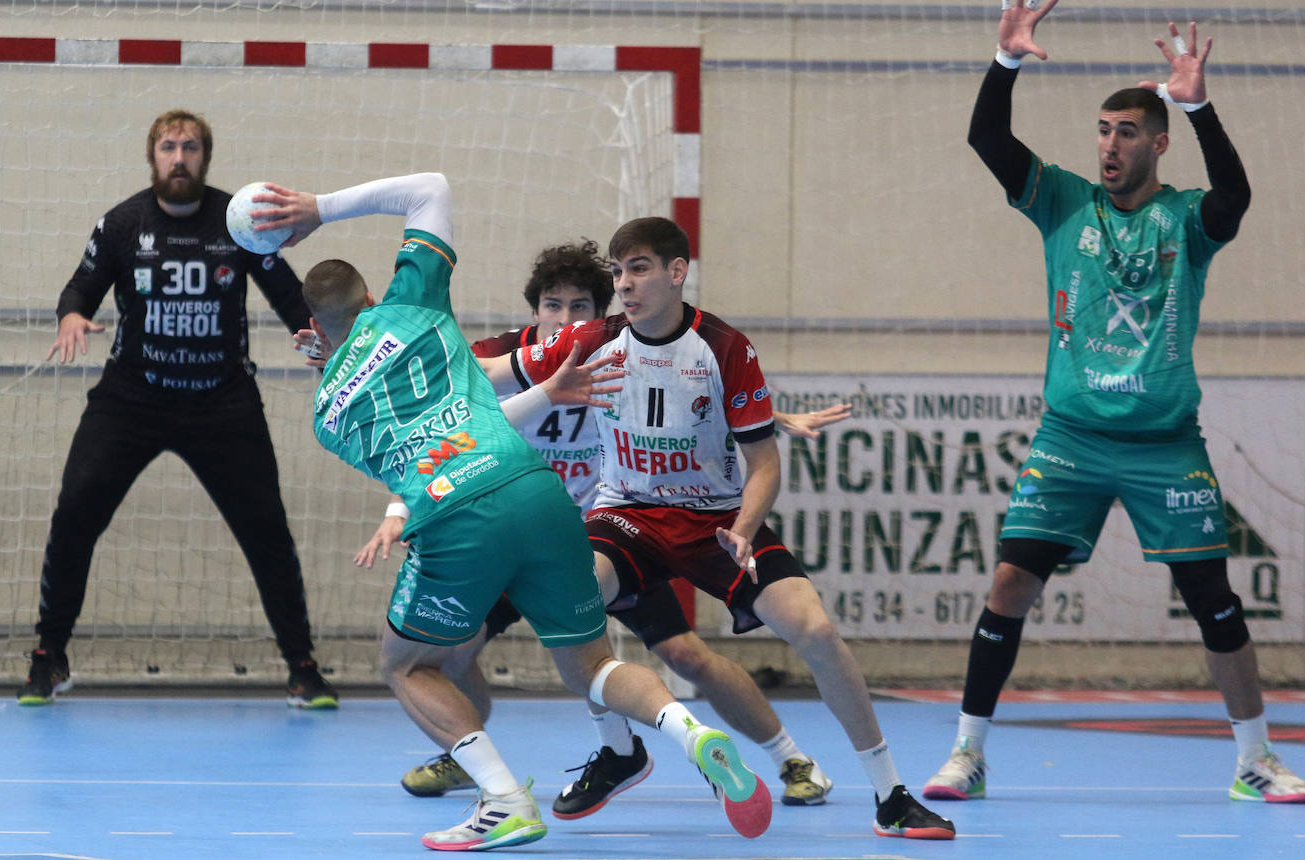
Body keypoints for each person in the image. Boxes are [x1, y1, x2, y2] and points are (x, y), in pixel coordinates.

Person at [257, 171, 773, 849]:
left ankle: (502, 799)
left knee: (408, 665)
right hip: (540, 492)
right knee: (590, 666)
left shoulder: (327, 412)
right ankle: (690, 731)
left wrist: (334, 363)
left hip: (456, 517)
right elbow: (431, 188)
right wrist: (316, 210)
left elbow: (384, 403)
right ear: (374, 297)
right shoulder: (417, 309)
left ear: (315, 331)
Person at [922, 2, 1305, 805]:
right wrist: (1005, 63)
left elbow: (1236, 195)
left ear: (1157, 142)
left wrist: (1199, 104)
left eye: (1127, 132)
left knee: (1213, 600)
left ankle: (1254, 760)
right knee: (1009, 586)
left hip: (1164, 441)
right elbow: (988, 142)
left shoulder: (1186, 219)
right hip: (1070, 436)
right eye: (1103, 130)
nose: (1109, 145)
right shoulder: (1063, 203)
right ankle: (968, 754)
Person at [486, 216, 955, 840]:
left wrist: (744, 526)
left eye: (640, 268)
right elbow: (484, 371)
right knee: (570, 602)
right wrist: (395, 345)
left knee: (815, 630)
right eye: (620, 271)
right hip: (626, 513)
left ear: (678, 272)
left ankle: (890, 794)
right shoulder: (589, 338)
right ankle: (620, 748)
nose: (625, 284)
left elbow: (763, 463)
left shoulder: (727, 348)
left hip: (716, 519)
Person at [387, 240, 849, 814]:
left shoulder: (615, 347)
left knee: (686, 656)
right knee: (450, 653)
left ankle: (790, 758)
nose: (565, 318)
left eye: (580, 306)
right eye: (552, 305)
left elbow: (699, 391)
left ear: (601, 312)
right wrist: (346, 355)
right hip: (521, 538)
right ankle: (469, 752)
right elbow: (433, 384)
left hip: (615, 533)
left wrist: (773, 416)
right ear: (535, 312)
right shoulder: (506, 359)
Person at [20, 109, 336, 709]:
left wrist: (321, 345)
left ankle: (304, 667)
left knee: (267, 532)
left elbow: (292, 297)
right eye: (169, 147)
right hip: (130, 399)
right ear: (153, 157)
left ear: (205, 158)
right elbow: (80, 288)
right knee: (75, 515)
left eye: (190, 147)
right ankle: (47, 657)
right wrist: (70, 316)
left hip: (222, 402)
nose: (180, 157)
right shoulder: (122, 223)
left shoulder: (238, 222)